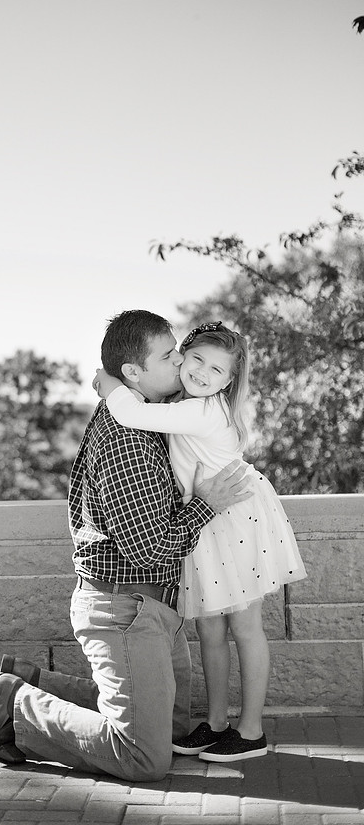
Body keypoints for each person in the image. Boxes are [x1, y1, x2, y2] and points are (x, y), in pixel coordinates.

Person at [0, 309, 250, 782]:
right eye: (169, 355)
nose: (182, 360)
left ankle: (30, 681)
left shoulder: (141, 411)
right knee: (145, 757)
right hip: (124, 607)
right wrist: (208, 504)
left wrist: (110, 384)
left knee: (176, 729)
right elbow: (149, 549)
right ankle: (17, 707)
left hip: (157, 607)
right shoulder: (129, 440)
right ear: (134, 373)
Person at [93, 320, 307, 762]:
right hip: (205, 523)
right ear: (183, 358)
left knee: (245, 627)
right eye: (195, 360)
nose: (203, 373)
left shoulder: (205, 409)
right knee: (210, 629)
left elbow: (130, 412)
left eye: (217, 370)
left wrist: (110, 380)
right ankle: (216, 724)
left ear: (230, 382)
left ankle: (251, 731)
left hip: (234, 520)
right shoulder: (182, 402)